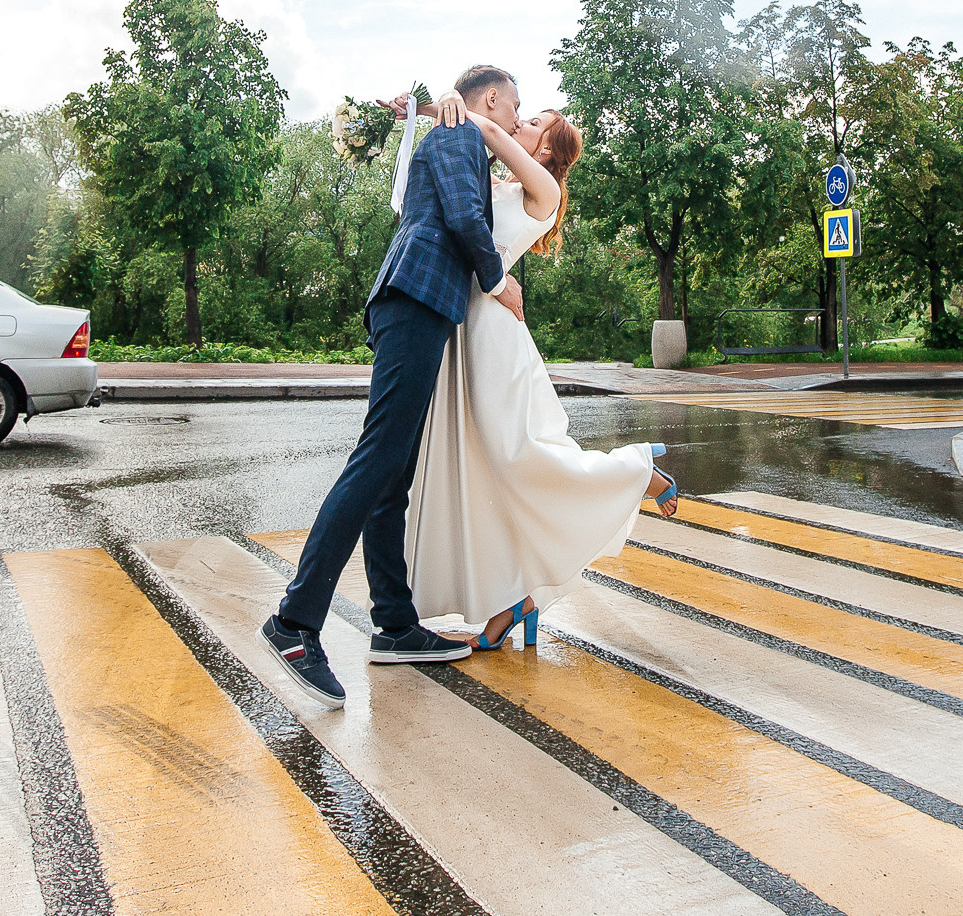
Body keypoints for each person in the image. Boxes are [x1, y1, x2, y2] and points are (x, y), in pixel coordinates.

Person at [261, 65, 529, 708]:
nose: (518, 120)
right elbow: (466, 219)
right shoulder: (461, 132)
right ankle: (295, 624)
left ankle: (395, 625)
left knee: (392, 475)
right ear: (489, 99)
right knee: (378, 460)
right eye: (515, 107)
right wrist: (497, 280)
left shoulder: (449, 129)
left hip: (411, 302)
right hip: (416, 298)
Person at [403, 99, 676, 652]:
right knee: (484, 471)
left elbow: (481, 125)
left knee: (515, 456)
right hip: (465, 332)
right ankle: (514, 601)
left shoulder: (543, 194)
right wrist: (412, 114)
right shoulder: (496, 184)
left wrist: (424, 104)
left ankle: (635, 473)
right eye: (519, 119)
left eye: (528, 124)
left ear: (545, 148)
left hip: (496, 339)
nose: (516, 126)